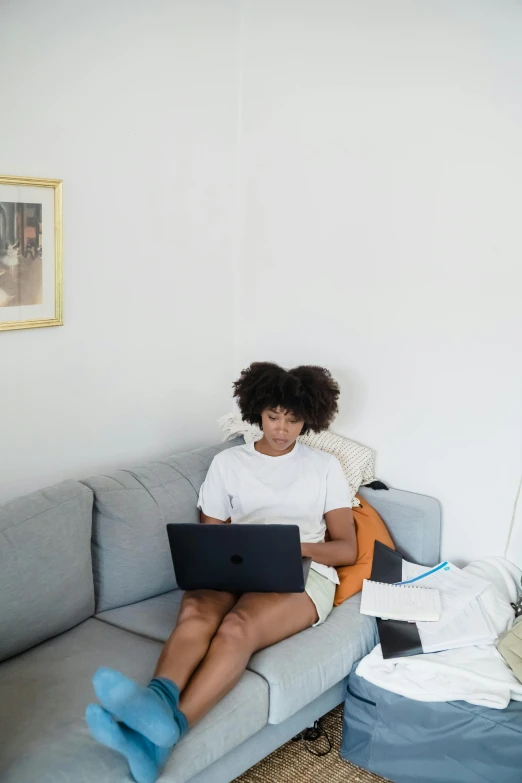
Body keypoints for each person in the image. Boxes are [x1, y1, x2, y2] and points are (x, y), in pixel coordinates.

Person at [86, 362, 357, 783]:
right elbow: (212, 536)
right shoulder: (228, 463)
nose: (282, 429)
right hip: (235, 566)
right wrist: (241, 551)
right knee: (196, 613)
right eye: (272, 417)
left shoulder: (324, 467)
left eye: (293, 419)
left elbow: (346, 546)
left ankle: (166, 734)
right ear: (256, 412)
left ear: (310, 418)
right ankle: (156, 703)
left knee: (236, 628)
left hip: (305, 571)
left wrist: (289, 546)